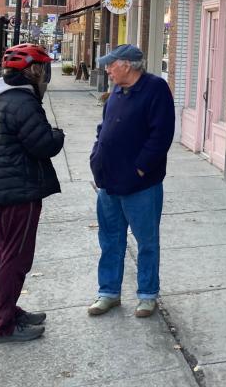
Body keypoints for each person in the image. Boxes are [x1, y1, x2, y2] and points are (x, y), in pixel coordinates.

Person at [0, 43, 64, 344]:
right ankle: (4, 325)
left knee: (4, 254)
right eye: (43, 70)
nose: (45, 77)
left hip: (1, 190)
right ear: (34, 72)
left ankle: (9, 312)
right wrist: (57, 135)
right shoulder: (22, 102)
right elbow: (43, 145)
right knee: (15, 258)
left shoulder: (2, 97)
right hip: (17, 192)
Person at [88, 44, 175, 319]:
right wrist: (96, 155)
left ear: (127, 65)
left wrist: (140, 169)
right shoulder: (116, 89)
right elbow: (105, 126)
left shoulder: (156, 89)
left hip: (140, 186)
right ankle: (108, 293)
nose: (107, 69)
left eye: (111, 64)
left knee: (146, 241)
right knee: (110, 239)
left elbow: (161, 135)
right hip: (108, 182)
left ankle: (147, 295)